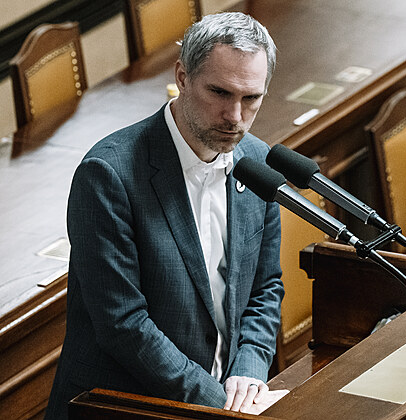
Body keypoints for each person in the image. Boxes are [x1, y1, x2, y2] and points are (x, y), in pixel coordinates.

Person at [45, 12, 286, 419]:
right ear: (183, 77)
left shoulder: (257, 163)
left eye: (251, 99)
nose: (235, 116)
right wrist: (220, 405)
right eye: (220, 93)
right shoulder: (109, 175)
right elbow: (124, 324)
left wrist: (248, 371)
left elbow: (265, 287)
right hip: (125, 406)